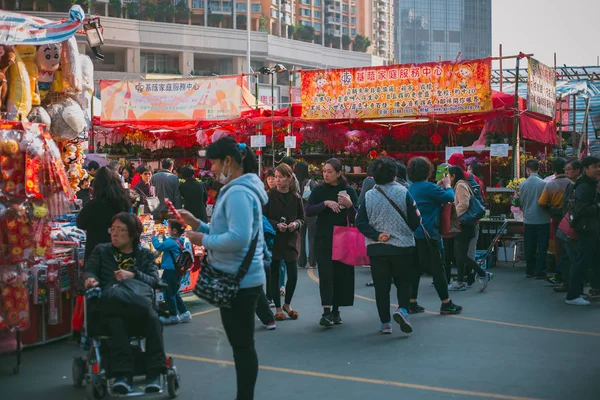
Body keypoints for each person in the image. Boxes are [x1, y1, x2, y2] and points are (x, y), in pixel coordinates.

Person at [181, 138, 267, 400]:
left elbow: (238, 238)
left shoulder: (239, 192)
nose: (213, 169)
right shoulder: (240, 189)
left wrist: (202, 239)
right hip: (241, 277)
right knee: (242, 345)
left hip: (239, 281)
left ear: (229, 161)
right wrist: (199, 224)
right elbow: (230, 232)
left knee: (242, 347)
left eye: (215, 162)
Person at [83, 212, 166, 394]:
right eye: (112, 229)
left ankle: (154, 373)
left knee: (153, 320)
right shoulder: (102, 251)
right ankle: (122, 375)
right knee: (115, 322)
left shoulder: (144, 255)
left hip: (139, 308)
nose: (114, 234)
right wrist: (90, 280)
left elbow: (154, 280)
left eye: (120, 230)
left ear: (133, 234)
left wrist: (134, 275)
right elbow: (90, 271)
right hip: (112, 305)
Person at [355, 157, 420, 334]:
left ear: (373, 176)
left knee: (381, 287)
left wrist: (376, 235)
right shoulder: (404, 192)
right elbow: (415, 220)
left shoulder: (368, 196)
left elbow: (360, 222)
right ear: (394, 174)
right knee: (404, 283)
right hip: (403, 247)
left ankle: (385, 323)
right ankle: (403, 310)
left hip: (377, 249)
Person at [306, 158, 358, 327]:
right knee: (326, 275)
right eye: (324, 171)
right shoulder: (319, 190)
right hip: (324, 238)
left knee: (341, 275)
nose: (326, 174)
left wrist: (349, 205)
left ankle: (336, 311)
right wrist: (325, 204)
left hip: (343, 238)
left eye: (329, 171)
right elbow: (308, 210)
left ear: (338, 173)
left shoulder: (348, 190)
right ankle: (326, 311)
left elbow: (357, 217)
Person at [407, 157, 463, 315]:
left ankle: (412, 302)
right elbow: (449, 197)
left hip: (415, 233)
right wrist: (447, 186)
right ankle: (446, 303)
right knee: (438, 269)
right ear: (428, 171)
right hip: (430, 233)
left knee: (415, 269)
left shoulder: (412, 188)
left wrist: (439, 187)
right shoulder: (428, 187)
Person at [263, 163, 305, 321]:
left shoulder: (296, 197)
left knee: (293, 274)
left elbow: (302, 218)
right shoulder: (269, 196)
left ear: (289, 178)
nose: (277, 180)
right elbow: (263, 217)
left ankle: (287, 304)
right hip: (274, 239)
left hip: (291, 239)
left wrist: (295, 224)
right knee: (274, 274)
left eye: (281, 177)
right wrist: (276, 225)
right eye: (275, 177)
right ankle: (278, 308)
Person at [448, 166, 493, 291]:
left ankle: (483, 274)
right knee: (459, 254)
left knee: (461, 255)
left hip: (464, 224)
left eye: (448, 176)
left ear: (453, 175)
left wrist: (453, 217)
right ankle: (460, 281)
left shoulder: (461, 185)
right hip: (463, 224)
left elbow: (464, 204)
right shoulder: (461, 184)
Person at [77, 167, 132, 263]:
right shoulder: (123, 203)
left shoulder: (92, 205)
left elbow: (80, 224)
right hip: (119, 252)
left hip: (95, 253)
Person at [565, 156, 600, 306]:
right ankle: (572, 295)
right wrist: (598, 206)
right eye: (595, 166)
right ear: (585, 169)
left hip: (591, 229)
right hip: (585, 230)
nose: (598, 169)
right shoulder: (584, 186)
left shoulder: (590, 184)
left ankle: (588, 290)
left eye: (599, 166)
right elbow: (581, 209)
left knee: (592, 261)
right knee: (581, 262)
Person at [151, 221, 192, 324]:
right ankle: (184, 313)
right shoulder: (178, 241)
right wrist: (164, 237)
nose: (167, 230)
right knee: (175, 293)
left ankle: (173, 316)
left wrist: (154, 237)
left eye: (168, 228)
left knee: (169, 294)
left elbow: (159, 247)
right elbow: (167, 247)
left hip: (170, 271)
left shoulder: (171, 242)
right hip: (176, 271)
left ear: (174, 230)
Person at [537, 157, 569, 283]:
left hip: (556, 217)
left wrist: (551, 208)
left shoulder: (550, 184)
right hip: (570, 217)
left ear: (554, 170)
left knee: (559, 245)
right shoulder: (571, 183)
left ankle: (559, 272)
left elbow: (541, 202)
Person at [554, 159, 582, 293]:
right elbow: (566, 205)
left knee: (574, 256)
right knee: (567, 255)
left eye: (569, 169)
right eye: (565, 169)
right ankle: (567, 282)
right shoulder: (570, 186)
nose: (566, 172)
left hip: (578, 226)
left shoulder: (582, 186)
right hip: (568, 225)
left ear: (578, 170)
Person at [520, 159, 551, 279]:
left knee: (529, 245)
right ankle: (541, 271)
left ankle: (529, 270)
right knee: (542, 246)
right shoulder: (544, 184)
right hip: (543, 219)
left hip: (529, 219)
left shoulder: (523, 184)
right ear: (538, 169)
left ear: (527, 170)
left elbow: (522, 201)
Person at [296, 162, 317, 269]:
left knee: (301, 237)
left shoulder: (295, 182)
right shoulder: (309, 182)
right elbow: (314, 197)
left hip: (299, 213)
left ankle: (301, 261)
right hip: (310, 212)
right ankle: (312, 262)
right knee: (312, 237)